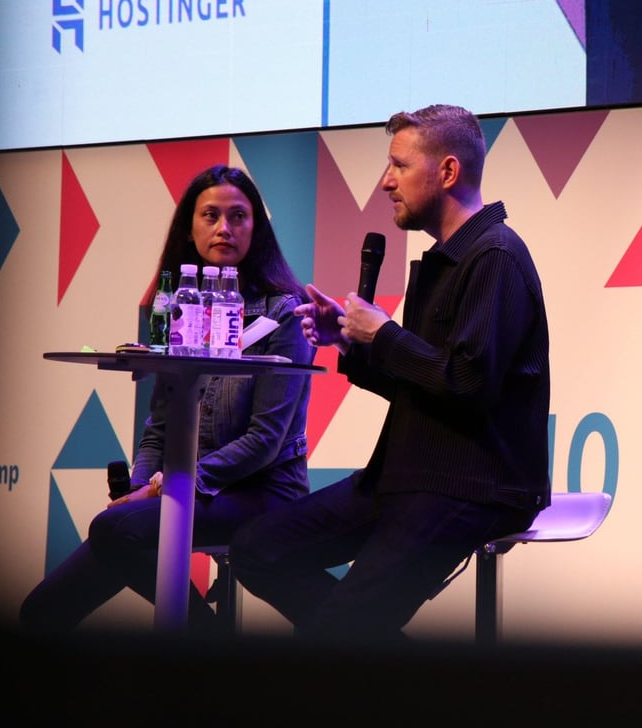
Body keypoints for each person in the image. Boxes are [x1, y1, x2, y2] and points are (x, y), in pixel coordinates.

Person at [228, 104, 551, 645]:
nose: (385, 182)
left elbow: (468, 383)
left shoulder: (495, 256)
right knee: (255, 550)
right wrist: (351, 343)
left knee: (341, 630)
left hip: (466, 487)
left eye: (399, 165)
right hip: (403, 477)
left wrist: (383, 334)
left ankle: (353, 644)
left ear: (447, 172)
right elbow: (423, 384)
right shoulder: (447, 261)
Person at [19, 164, 315, 636]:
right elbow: (159, 428)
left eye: (238, 216)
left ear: (256, 227)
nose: (224, 228)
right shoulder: (175, 306)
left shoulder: (285, 312)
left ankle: (209, 652)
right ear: (190, 227)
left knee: (115, 531)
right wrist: (139, 486)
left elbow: (265, 441)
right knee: (39, 613)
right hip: (180, 488)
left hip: (262, 494)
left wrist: (163, 488)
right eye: (211, 215)